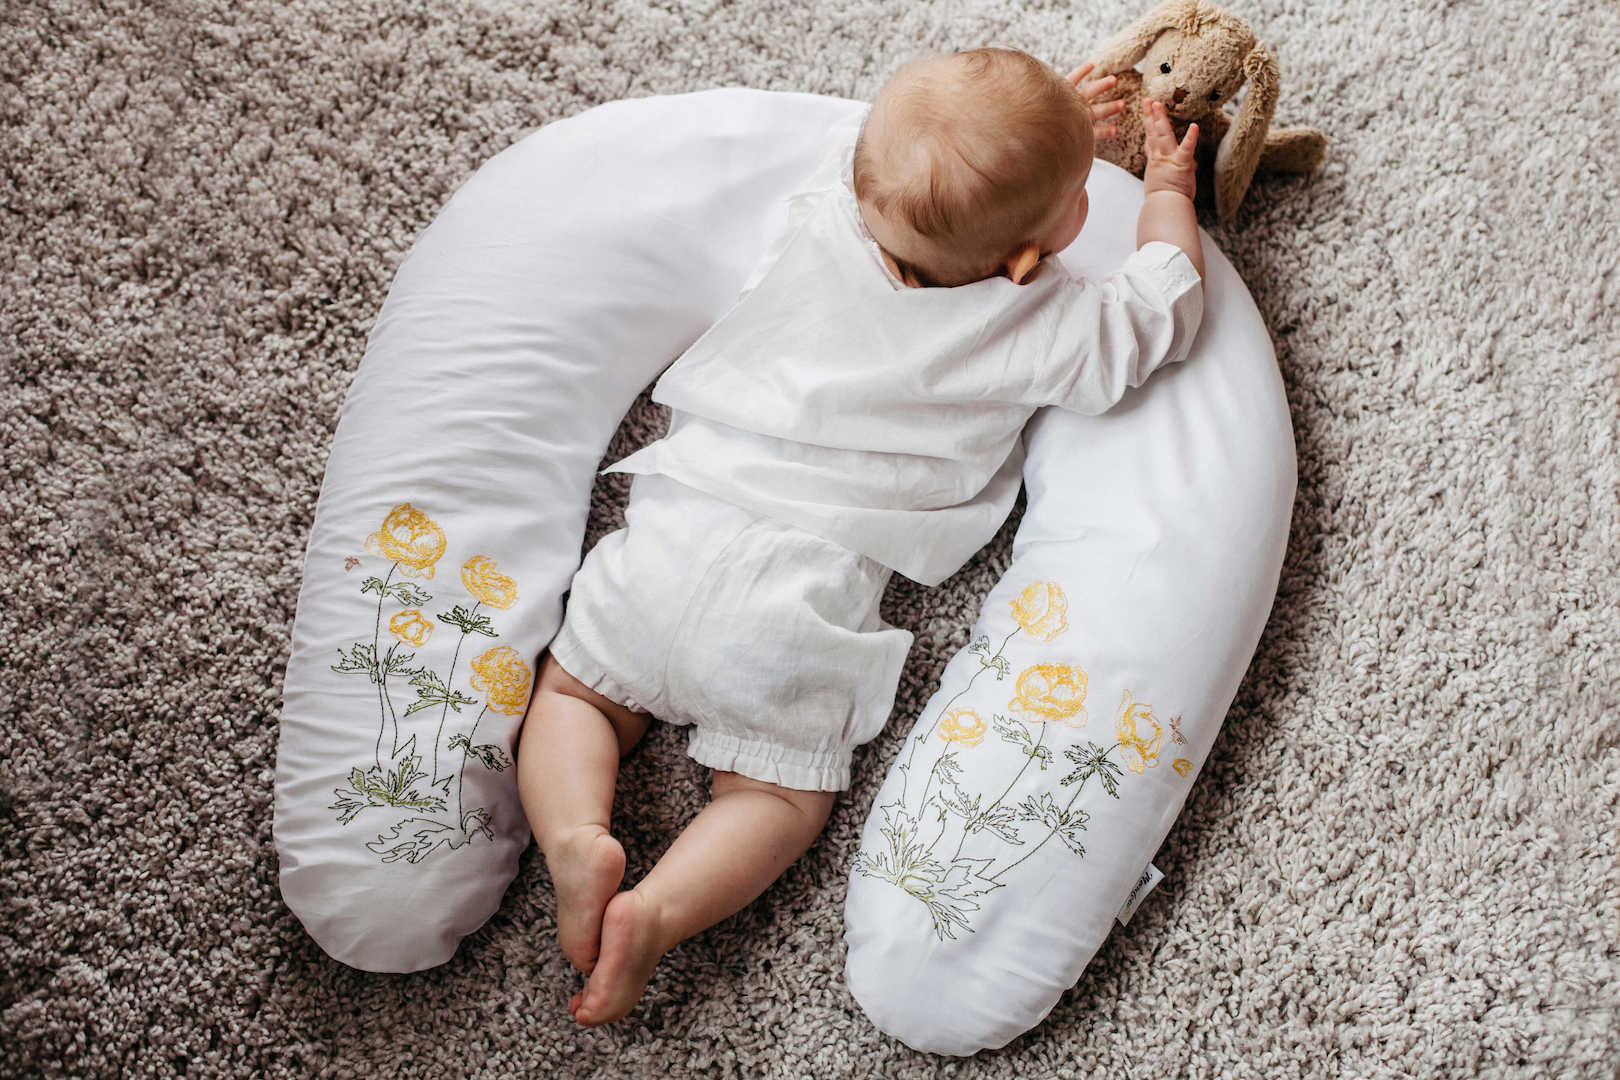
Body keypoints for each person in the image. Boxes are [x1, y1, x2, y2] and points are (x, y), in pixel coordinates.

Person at [516, 46, 1205, 1026]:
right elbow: (1163, 308)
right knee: (773, 799)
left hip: (672, 535)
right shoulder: (1042, 320)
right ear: (1047, 242)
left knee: (577, 695)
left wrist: (1037, 120)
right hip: (795, 605)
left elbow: (903, 146)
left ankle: (577, 837)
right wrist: (1167, 191)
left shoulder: (823, 213)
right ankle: (657, 913)